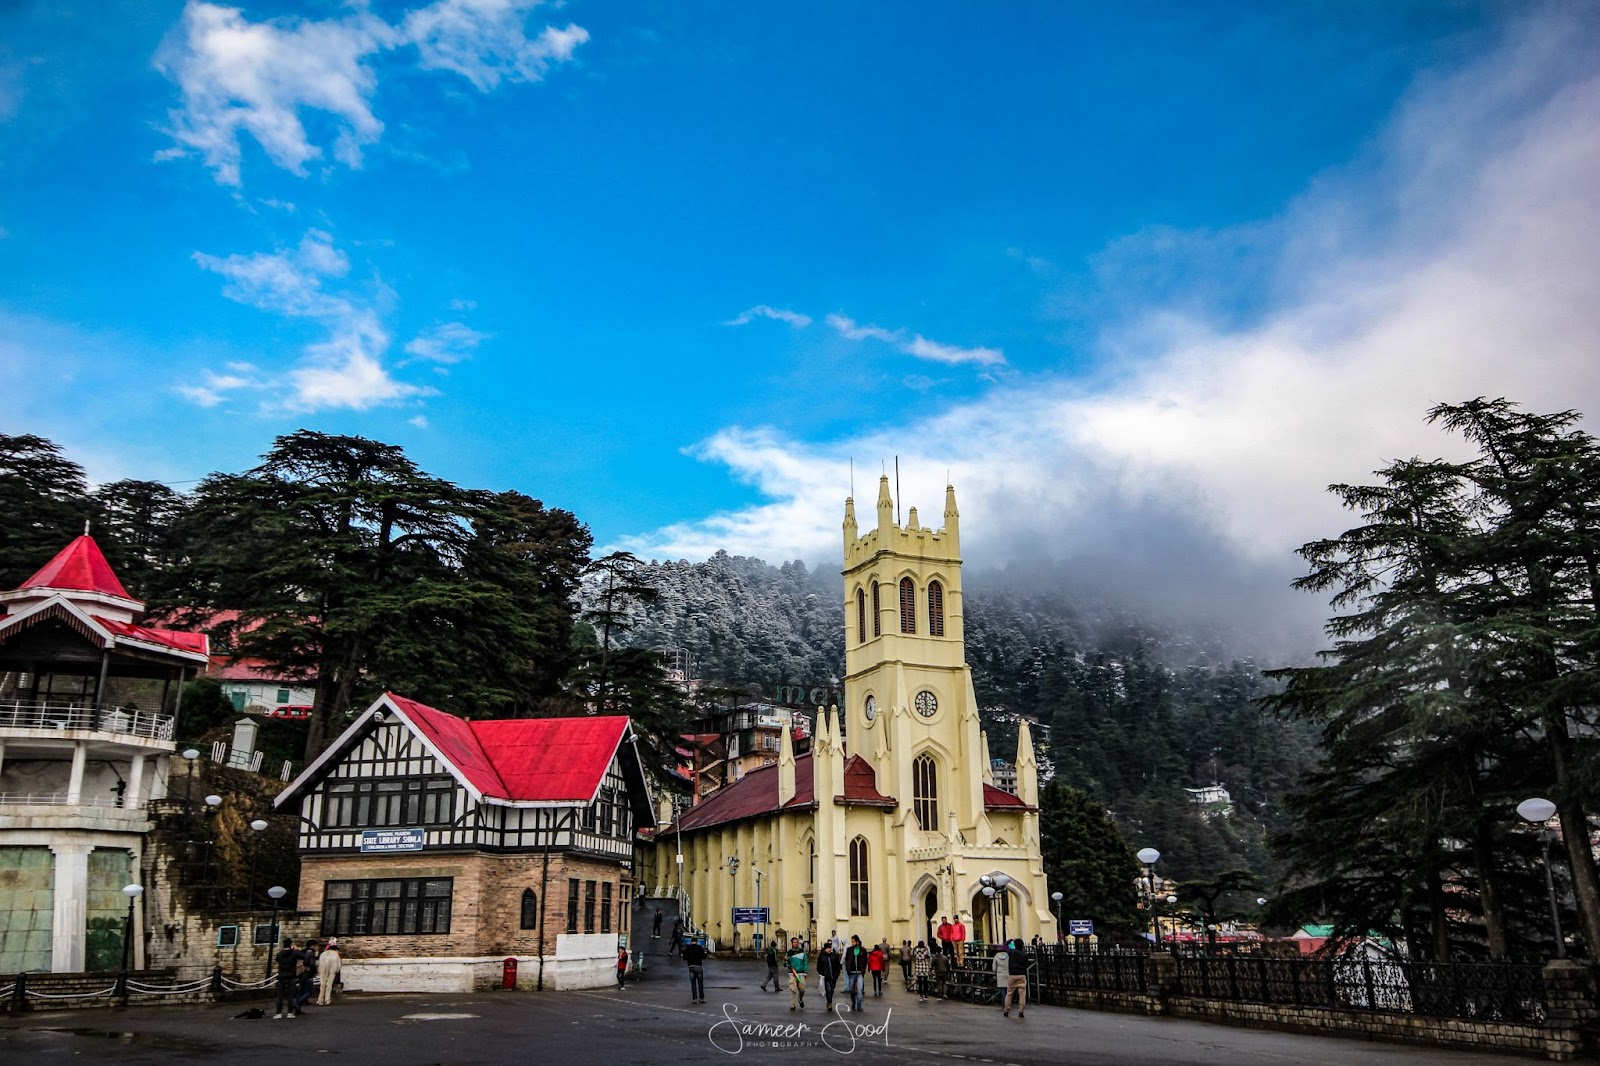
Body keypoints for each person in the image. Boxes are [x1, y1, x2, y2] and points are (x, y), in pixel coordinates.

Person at [273, 938, 302, 1019]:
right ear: (290, 945)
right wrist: (296, 949)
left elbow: (277, 959)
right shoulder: (294, 953)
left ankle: (278, 1013)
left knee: (280, 996)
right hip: (291, 976)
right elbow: (303, 956)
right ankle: (290, 1012)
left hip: (281, 976)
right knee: (291, 996)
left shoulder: (280, 954)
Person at [1005, 938, 1030, 1019]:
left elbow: (1004, 946)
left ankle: (1006, 1009)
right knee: (1022, 994)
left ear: (1015, 945)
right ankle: (1021, 1010)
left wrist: (1010, 940)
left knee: (1009, 993)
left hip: (1012, 975)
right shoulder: (1025, 954)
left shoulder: (1011, 952)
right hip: (1022, 975)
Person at [843, 935, 869, 1012]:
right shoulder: (849, 950)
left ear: (857, 942)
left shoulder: (862, 950)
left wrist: (863, 969)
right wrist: (848, 969)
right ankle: (853, 1002)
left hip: (860, 972)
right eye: (852, 941)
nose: (852, 943)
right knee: (851, 989)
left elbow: (865, 960)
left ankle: (859, 1005)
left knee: (860, 989)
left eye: (853, 941)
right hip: (852, 972)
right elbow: (847, 960)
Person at [816, 941, 842, 1011]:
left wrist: (837, 974)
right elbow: (819, 967)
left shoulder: (834, 956)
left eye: (830, 948)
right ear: (825, 949)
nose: (829, 949)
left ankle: (829, 1001)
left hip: (834, 977)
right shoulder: (822, 956)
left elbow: (838, 965)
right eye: (827, 948)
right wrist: (823, 973)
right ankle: (829, 1003)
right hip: (826, 977)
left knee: (832, 990)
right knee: (829, 990)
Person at [786, 936, 809, 1011]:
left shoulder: (802, 952)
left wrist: (805, 972)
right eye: (794, 942)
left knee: (802, 989)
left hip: (801, 973)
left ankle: (800, 999)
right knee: (793, 989)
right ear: (792, 943)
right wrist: (786, 962)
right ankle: (792, 1005)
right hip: (792, 973)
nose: (795, 944)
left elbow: (805, 961)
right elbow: (785, 963)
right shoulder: (789, 953)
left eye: (796, 942)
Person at [316, 940, 342, 1006]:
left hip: (323, 968)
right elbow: (337, 969)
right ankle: (327, 999)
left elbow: (318, 966)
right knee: (329, 983)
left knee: (322, 983)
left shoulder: (323, 954)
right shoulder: (336, 955)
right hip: (332, 969)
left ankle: (320, 999)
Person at [295, 940, 319, 1010]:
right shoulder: (310, 953)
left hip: (301, 973)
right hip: (307, 973)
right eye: (316, 946)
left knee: (303, 989)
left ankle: (301, 1002)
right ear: (312, 946)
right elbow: (311, 964)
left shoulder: (302, 952)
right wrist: (314, 972)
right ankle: (298, 1002)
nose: (317, 948)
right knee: (310, 990)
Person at [683, 938, 707, 1004]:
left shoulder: (688, 948)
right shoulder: (699, 948)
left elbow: (684, 958)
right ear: (696, 941)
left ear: (691, 941)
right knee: (700, 983)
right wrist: (705, 952)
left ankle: (694, 998)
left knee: (693, 984)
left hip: (691, 967)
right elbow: (703, 957)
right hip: (698, 967)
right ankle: (701, 998)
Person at [992, 943, 1010, 1016]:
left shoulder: (996, 957)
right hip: (1007, 973)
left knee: (1002, 990)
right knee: (1008, 990)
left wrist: (995, 973)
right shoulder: (1008, 956)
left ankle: (1004, 1004)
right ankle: (1008, 1003)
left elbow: (994, 968)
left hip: (1000, 974)